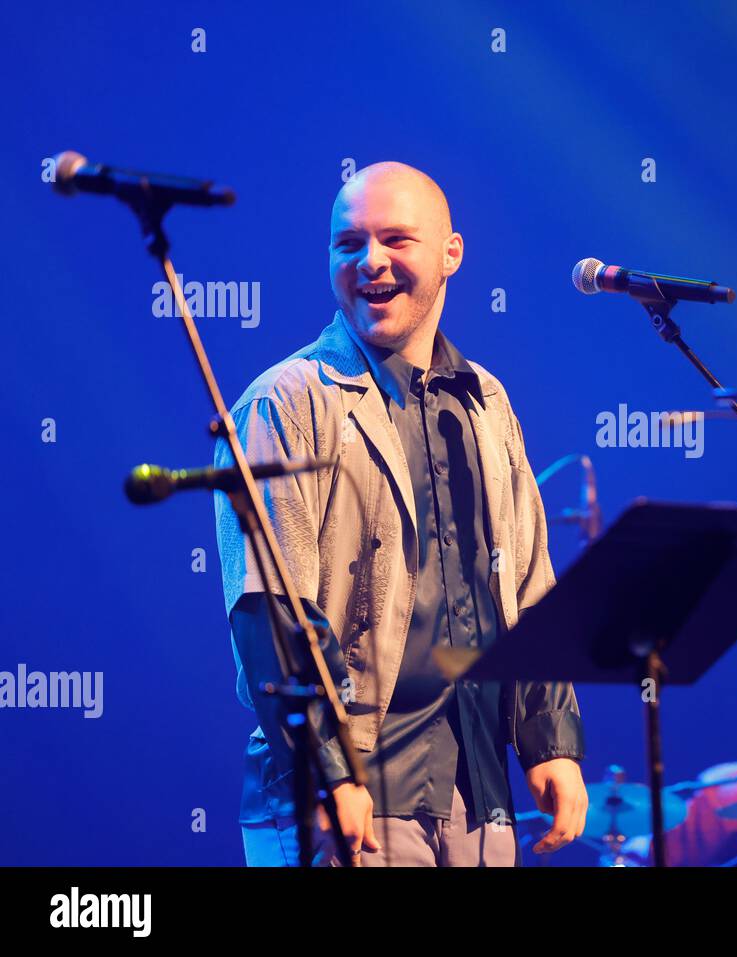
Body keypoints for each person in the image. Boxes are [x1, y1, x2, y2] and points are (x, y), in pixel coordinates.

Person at [214, 161, 587, 866]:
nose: (371, 262)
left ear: (451, 255)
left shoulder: (487, 400)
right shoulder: (284, 403)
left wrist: (550, 737)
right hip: (352, 793)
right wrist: (326, 768)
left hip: (478, 790)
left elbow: (531, 585)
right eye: (348, 244)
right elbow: (271, 611)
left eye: (396, 240)